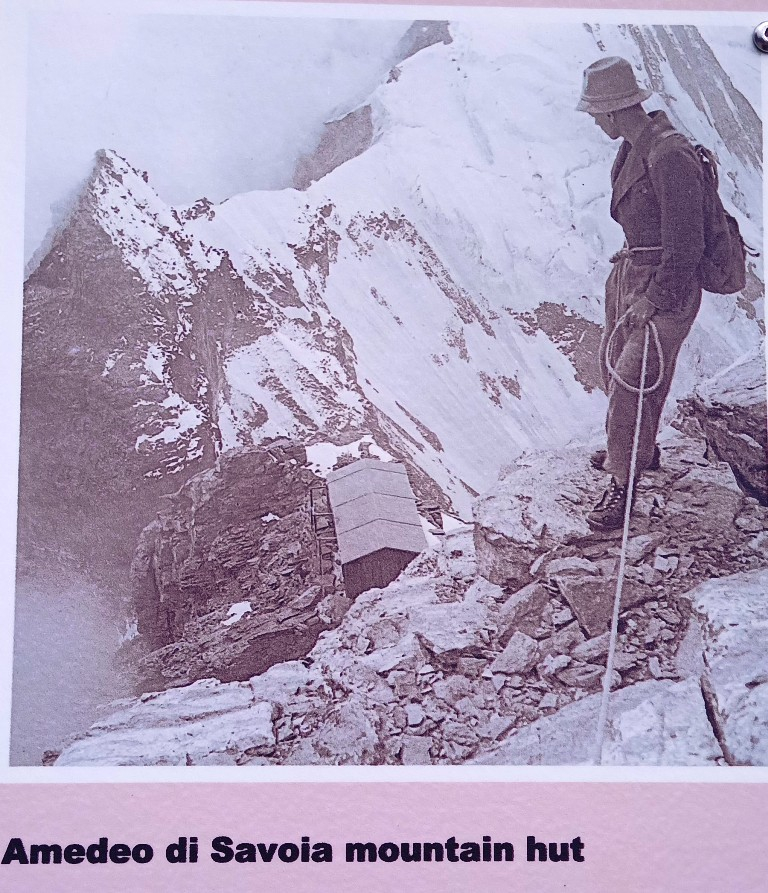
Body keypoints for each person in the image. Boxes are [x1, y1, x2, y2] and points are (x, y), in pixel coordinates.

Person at [576, 56, 705, 530]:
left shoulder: (669, 155)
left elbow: (687, 246)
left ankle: (622, 484)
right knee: (617, 367)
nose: (595, 121)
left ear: (612, 112)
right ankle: (637, 450)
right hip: (636, 272)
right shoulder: (636, 147)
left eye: (596, 113)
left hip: (668, 284)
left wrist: (653, 298)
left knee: (634, 377)